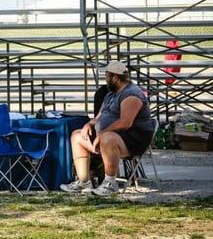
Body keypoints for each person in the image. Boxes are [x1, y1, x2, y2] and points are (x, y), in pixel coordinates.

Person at [60, 61, 154, 196]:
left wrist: (102, 133)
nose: (105, 78)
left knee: (107, 138)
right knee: (77, 135)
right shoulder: (111, 94)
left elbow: (125, 123)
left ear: (115, 78)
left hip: (134, 138)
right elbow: (99, 116)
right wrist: (89, 124)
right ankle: (83, 181)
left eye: (107, 75)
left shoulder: (132, 94)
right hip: (110, 136)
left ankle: (110, 183)